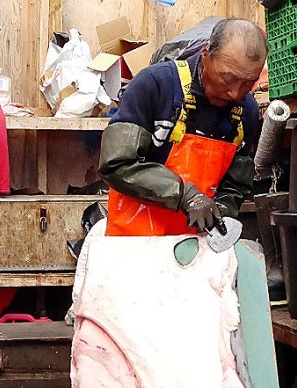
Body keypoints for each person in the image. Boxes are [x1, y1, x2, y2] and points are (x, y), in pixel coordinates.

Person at [98, 18, 266, 237]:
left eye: (247, 83)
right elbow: (115, 164)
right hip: (135, 244)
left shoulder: (247, 111)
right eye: (227, 78)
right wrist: (184, 195)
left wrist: (220, 214)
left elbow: (235, 186)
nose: (235, 93)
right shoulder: (153, 85)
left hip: (195, 249)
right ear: (206, 54)